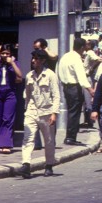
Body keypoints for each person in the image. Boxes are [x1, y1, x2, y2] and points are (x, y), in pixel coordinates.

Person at [20, 49, 60, 179]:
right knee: (28, 138)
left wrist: (54, 113)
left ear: (43, 60)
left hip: (47, 112)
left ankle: (49, 165)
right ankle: (26, 164)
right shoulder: (29, 76)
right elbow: (27, 94)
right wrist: (26, 109)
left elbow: (56, 95)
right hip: (32, 111)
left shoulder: (50, 75)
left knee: (48, 141)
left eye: (36, 58)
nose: (33, 61)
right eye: (33, 58)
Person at [0, 46, 24, 153]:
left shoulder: (15, 63)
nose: (5, 55)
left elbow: (20, 76)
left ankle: (5, 144)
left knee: (7, 118)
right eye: (3, 53)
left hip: (10, 92)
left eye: (7, 53)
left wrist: (12, 63)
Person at [57, 37, 91, 146]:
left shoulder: (65, 56)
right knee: (74, 113)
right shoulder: (76, 59)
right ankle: (70, 137)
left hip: (66, 87)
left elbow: (59, 72)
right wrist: (91, 90)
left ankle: (70, 136)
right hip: (74, 87)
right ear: (81, 47)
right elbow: (82, 77)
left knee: (72, 112)